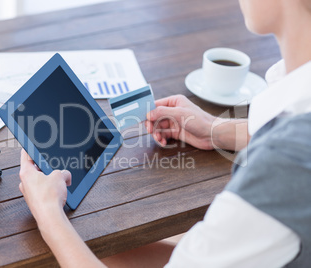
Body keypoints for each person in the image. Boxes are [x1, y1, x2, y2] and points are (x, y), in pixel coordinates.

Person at [18, 0, 311, 266]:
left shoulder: (284, 167)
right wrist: (213, 131)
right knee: (108, 250)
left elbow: (291, 156)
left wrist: (47, 212)